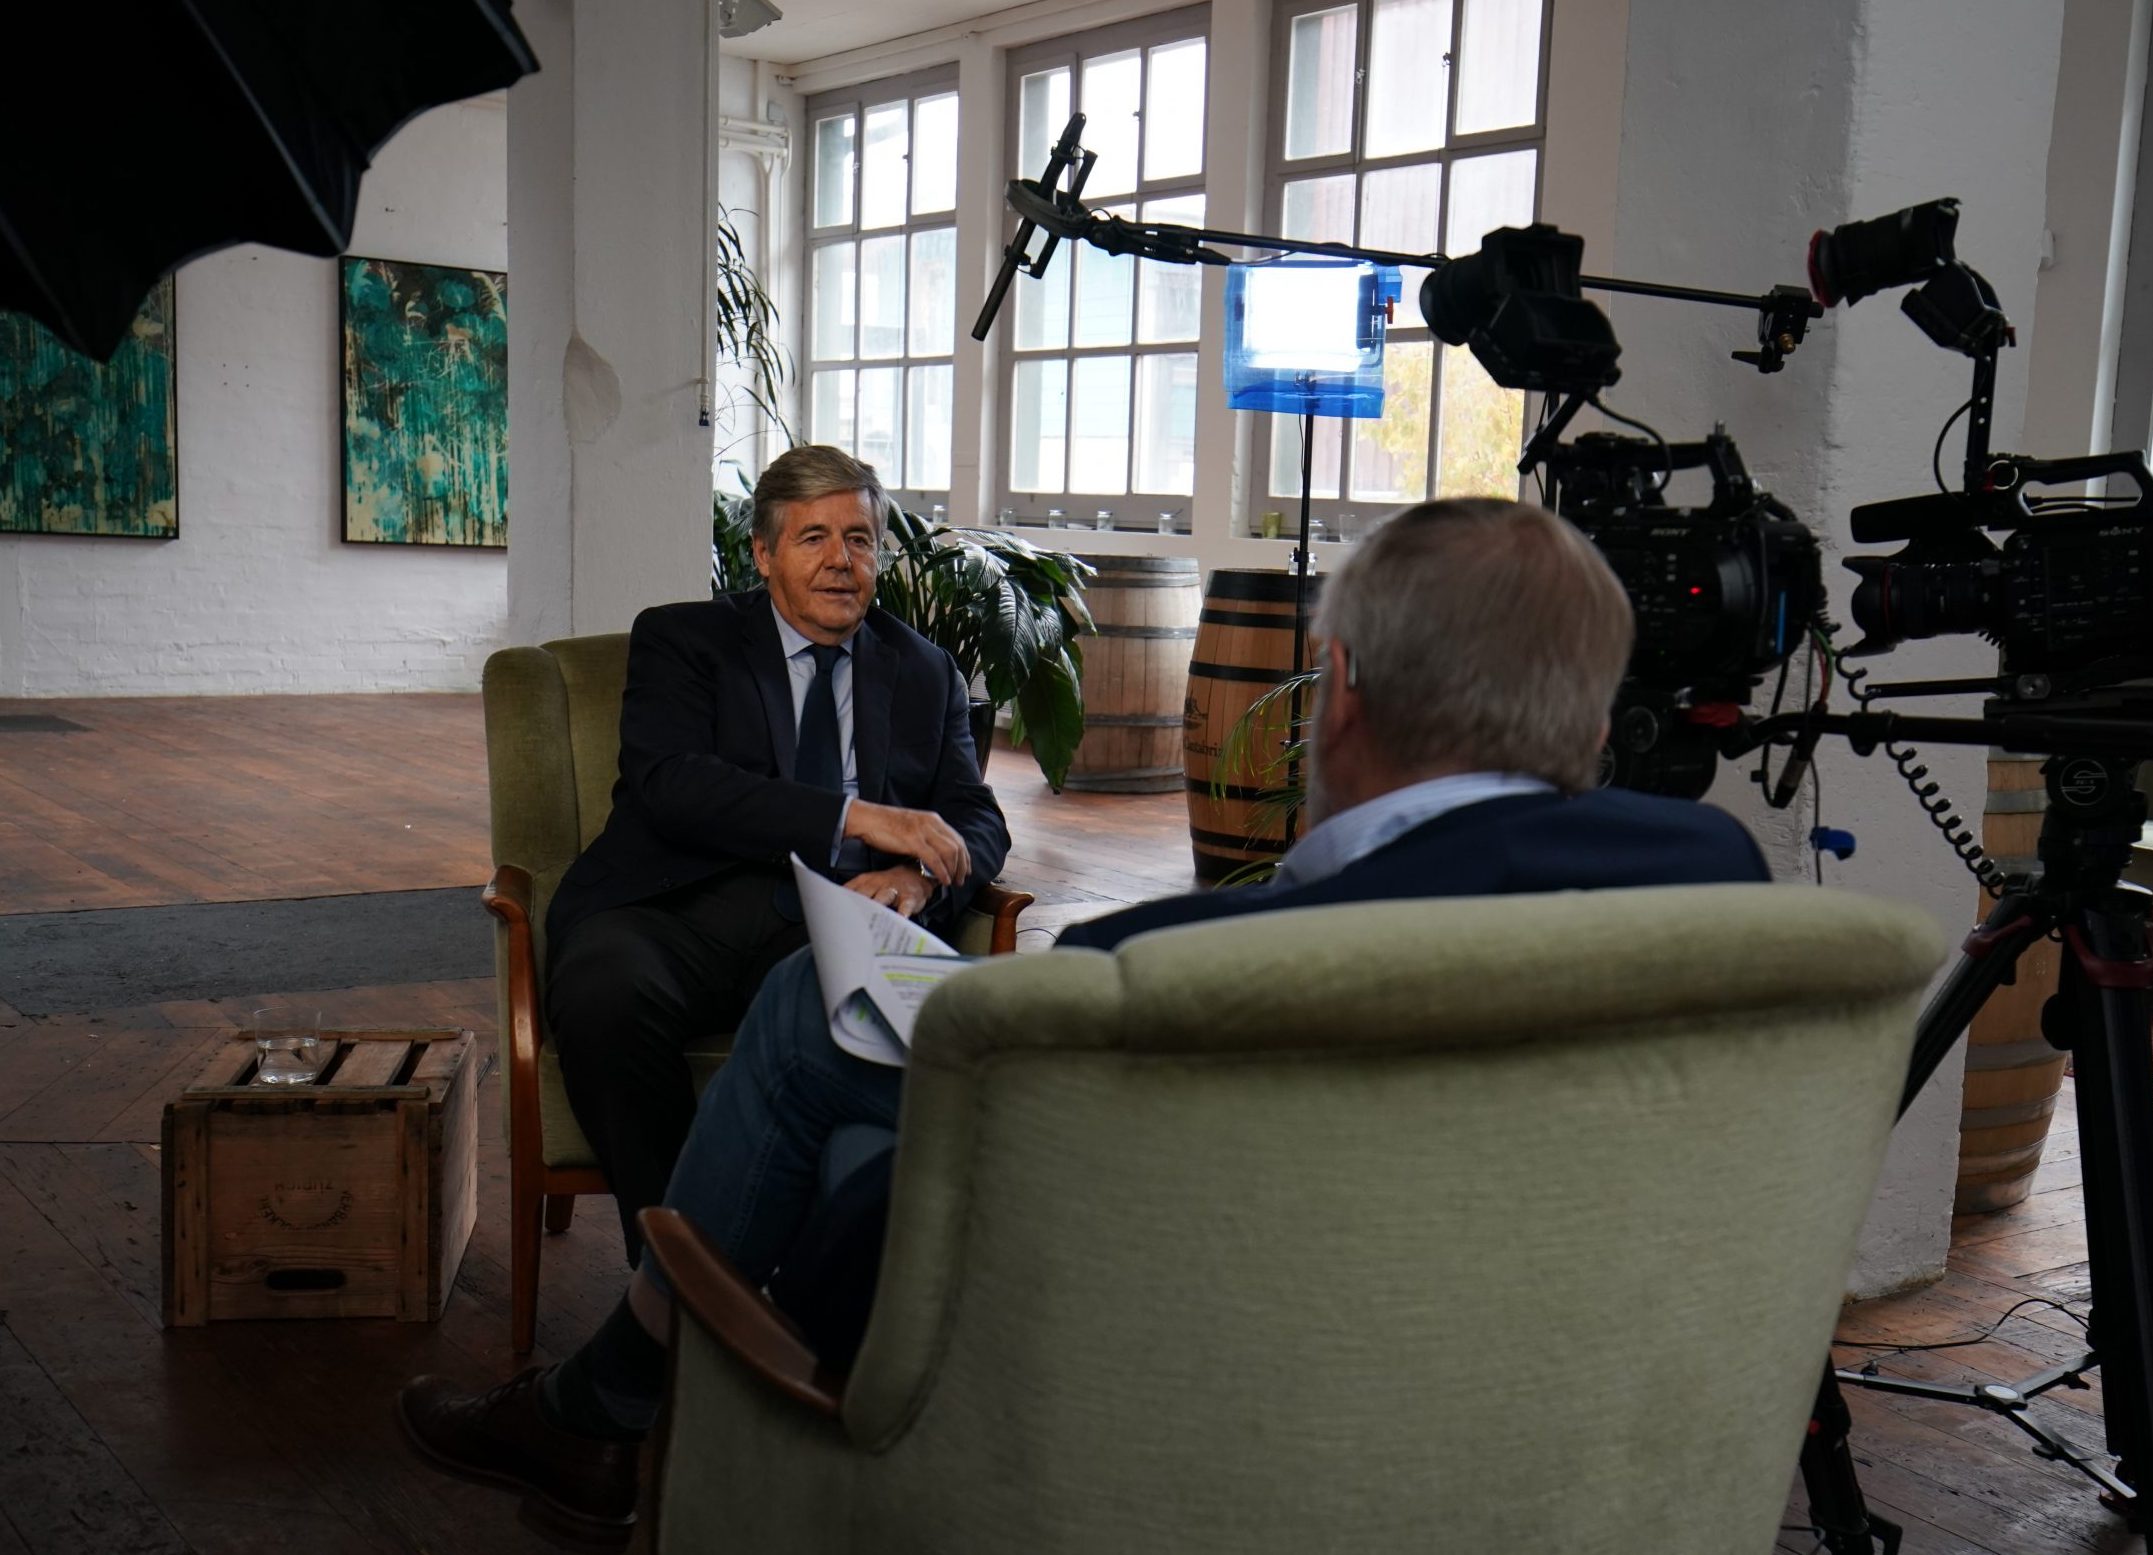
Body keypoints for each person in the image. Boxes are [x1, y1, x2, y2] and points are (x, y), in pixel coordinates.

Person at [400, 496, 1772, 1542]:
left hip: (1183, 1394)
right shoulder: (1725, 891)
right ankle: (602, 1394)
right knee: (805, 1014)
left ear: (1340, 691)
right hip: (1570, 1401)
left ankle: (605, 1395)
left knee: (821, 1057)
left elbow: (872, 1277)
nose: (844, 558)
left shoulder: (1167, 972)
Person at [544, 443, 1009, 1262]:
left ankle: (789, 1284)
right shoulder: (683, 640)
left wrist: (915, 879)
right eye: (813, 537)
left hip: (830, 919)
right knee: (601, 991)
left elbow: (978, 819)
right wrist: (859, 816)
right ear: (763, 554)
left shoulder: (924, 670)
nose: (841, 560)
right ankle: (679, 1275)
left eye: (859, 539)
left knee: (868, 1037)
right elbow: (674, 784)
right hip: (675, 907)